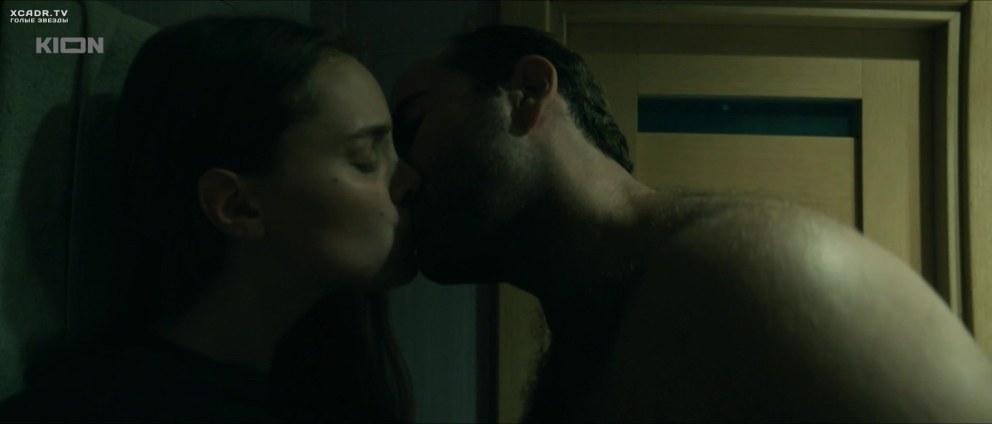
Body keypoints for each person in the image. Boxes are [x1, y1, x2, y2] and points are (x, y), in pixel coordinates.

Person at [390, 24, 992, 422]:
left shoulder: (767, 270)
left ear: (527, 92)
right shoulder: (583, 340)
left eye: (410, 128)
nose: (397, 181)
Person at [0, 15, 419, 422]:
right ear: (237, 206)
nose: (410, 180)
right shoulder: (79, 412)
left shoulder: (335, 394)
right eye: (366, 159)